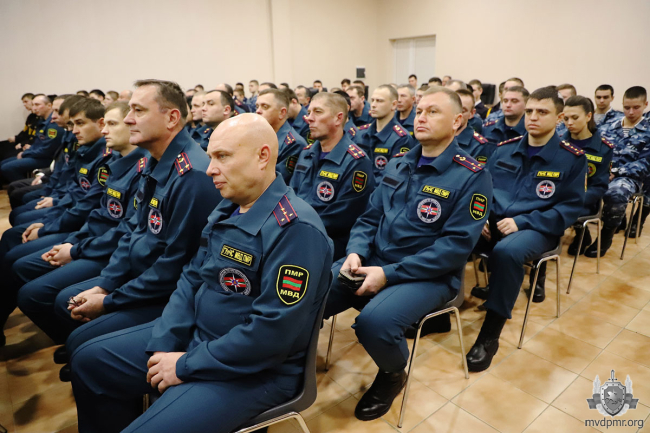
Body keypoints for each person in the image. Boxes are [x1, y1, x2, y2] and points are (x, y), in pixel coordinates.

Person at [69, 113, 333, 433]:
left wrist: (184, 364)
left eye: (223, 156)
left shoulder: (296, 229)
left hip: (252, 370)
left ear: (262, 156)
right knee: (89, 362)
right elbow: (191, 278)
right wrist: (165, 341)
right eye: (210, 157)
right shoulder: (228, 207)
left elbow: (270, 335)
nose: (210, 169)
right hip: (198, 339)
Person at [324, 87, 492, 421]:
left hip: (430, 275)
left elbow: (454, 249)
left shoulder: (472, 176)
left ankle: (392, 373)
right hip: (375, 261)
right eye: (420, 111)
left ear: (458, 121)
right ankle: (289, 365)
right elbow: (369, 218)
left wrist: (388, 274)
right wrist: (355, 252)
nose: (421, 118)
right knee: (313, 292)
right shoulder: (400, 163)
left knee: (375, 322)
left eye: (433, 111)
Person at [44, 80, 222, 378]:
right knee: (71, 311)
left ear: (171, 118)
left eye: (138, 111)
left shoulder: (191, 175)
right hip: (140, 277)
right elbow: (133, 232)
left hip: (164, 292)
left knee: (82, 346)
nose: (128, 119)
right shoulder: (154, 161)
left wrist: (110, 299)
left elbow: (174, 265)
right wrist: (106, 284)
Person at [466, 87, 586, 372]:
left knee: (508, 252)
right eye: (530, 111)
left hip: (538, 228)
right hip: (494, 223)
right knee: (455, 232)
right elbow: (483, 189)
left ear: (559, 118)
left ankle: (490, 334)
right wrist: (481, 217)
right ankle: (439, 309)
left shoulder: (571, 158)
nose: (533, 117)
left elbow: (569, 209)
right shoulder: (505, 149)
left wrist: (522, 222)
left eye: (542, 112)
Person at [15, 101, 149, 345]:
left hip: (110, 251)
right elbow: (98, 212)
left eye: (111, 124)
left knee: (38, 293)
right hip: (94, 241)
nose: (104, 129)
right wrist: (73, 241)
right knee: (20, 261)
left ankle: (74, 343)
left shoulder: (143, 169)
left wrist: (75, 249)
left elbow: (127, 231)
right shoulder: (116, 162)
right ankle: (74, 342)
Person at [0, 97, 112, 347]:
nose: (73, 130)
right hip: (86, 233)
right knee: (15, 235)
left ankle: (73, 343)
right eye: (72, 124)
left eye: (79, 123)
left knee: (22, 269)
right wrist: (53, 223)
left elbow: (94, 211)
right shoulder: (94, 152)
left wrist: (68, 242)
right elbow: (79, 194)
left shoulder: (110, 160)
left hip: (95, 241)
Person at [530, 95, 613, 300]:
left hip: (581, 201)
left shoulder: (603, 147)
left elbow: (599, 186)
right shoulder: (556, 140)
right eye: (565, 118)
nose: (569, 123)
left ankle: (538, 278)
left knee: (549, 219)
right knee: (535, 211)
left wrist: (571, 200)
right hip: (550, 197)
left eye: (575, 117)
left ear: (589, 116)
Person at [290, 92, 375, 260]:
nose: (309, 118)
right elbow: (291, 194)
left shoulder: (356, 162)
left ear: (338, 118)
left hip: (329, 243)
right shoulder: (307, 153)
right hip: (295, 231)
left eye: (318, 112)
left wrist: (294, 227)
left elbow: (341, 218)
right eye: (309, 112)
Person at [585, 86, 650, 257]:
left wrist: (616, 171)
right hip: (602, 173)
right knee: (575, 186)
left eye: (636, 107)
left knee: (616, 192)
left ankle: (606, 236)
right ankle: (581, 234)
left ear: (645, 105)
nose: (630, 112)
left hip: (629, 178)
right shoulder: (608, 127)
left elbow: (645, 164)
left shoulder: (648, 131)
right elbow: (595, 152)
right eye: (627, 107)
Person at [0, 95, 66, 183]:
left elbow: (47, 150)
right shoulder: (41, 120)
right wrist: (27, 152)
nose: (34, 108)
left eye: (37, 105)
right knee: (3, 163)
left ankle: (28, 185)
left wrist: (25, 154)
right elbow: (37, 142)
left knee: (7, 168)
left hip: (46, 158)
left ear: (49, 106)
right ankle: (24, 184)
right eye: (33, 105)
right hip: (37, 154)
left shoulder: (53, 124)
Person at [355, 85, 415, 180]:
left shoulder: (402, 138)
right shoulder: (361, 133)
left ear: (394, 105)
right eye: (372, 100)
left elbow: (394, 176)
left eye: (379, 101)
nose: (373, 105)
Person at [255, 88, 307, 182]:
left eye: (265, 107)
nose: (258, 111)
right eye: (257, 106)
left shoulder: (294, 143)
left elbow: (277, 180)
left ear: (282, 113)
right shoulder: (257, 135)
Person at [482, 86, 529, 162]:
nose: (508, 105)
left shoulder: (529, 132)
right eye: (505, 101)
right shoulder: (488, 129)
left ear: (526, 105)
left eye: (514, 101)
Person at [455, 89, 490, 163]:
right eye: (453, 108)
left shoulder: (479, 146)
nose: (457, 114)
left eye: (463, 111)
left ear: (471, 113)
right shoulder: (437, 136)